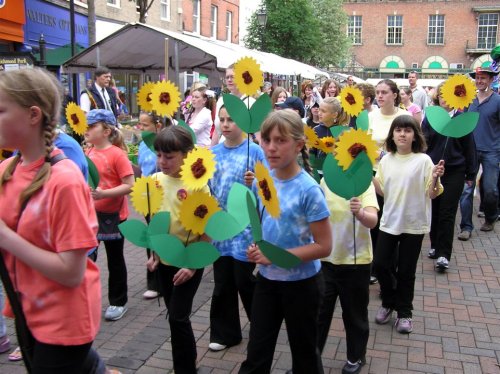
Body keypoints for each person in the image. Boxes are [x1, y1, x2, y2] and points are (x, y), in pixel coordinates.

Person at [0, 67, 106, 372]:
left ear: (33, 115)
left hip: (63, 324)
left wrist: (6, 237)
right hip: (26, 311)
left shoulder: (65, 180)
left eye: (1, 109)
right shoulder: (7, 169)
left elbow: (71, 272)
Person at [239, 110, 332, 374]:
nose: (270, 147)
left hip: (302, 286)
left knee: (304, 356)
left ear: (299, 144)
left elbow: (324, 246)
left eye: (280, 140)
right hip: (268, 282)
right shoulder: (262, 181)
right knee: (256, 354)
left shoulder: (309, 190)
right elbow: (266, 228)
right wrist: (257, 249)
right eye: (266, 139)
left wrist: (276, 255)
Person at [372, 115, 444, 334]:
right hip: (389, 221)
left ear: (415, 136)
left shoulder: (423, 161)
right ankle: (389, 301)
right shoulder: (386, 160)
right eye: (398, 130)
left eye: (407, 130)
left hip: (414, 223)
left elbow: (431, 194)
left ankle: (405, 313)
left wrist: (435, 177)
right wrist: (368, 174)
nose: (402, 134)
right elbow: (383, 191)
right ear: (392, 135)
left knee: (406, 270)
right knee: (381, 265)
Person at [147, 125, 210, 374]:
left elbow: (207, 233)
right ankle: (187, 360)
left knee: (177, 316)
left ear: (186, 154)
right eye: (159, 155)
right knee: (175, 317)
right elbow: (154, 222)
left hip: (190, 259)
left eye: (169, 156)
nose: (162, 161)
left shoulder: (197, 186)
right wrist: (153, 254)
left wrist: (192, 266)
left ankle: (185, 369)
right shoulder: (154, 181)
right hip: (164, 260)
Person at [208, 106, 267, 352]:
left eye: (231, 119)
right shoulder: (212, 153)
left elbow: (267, 189)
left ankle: (262, 329)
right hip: (222, 230)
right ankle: (225, 333)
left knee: (247, 281)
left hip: (245, 230)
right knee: (222, 282)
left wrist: (253, 185)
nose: (225, 124)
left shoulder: (254, 151)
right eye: (221, 120)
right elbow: (209, 187)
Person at [317, 179, 378, 374]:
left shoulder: (364, 183)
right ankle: (309, 359)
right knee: (318, 313)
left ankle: (356, 356)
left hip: (356, 263)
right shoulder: (326, 180)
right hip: (326, 260)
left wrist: (360, 213)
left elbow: (373, 220)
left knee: (354, 314)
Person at [84, 109, 134, 321]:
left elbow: (130, 185)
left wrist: (104, 193)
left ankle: (118, 301)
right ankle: (85, 300)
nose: (86, 130)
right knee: (87, 258)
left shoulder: (117, 154)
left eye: (91, 126)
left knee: (115, 259)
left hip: (115, 216)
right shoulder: (87, 153)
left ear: (106, 130)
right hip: (91, 215)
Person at [422, 83, 477, 270]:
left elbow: (470, 148)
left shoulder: (462, 120)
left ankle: (444, 254)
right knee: (434, 209)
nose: (445, 99)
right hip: (433, 169)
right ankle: (435, 245)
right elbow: (424, 143)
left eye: (449, 95)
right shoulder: (431, 118)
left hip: (455, 170)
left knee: (447, 211)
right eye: (442, 95)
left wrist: (471, 173)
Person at [368, 79, 408, 284]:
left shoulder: (404, 117)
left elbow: (411, 145)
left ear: (395, 94)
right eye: (377, 92)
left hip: (395, 175)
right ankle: (376, 266)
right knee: (374, 220)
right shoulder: (371, 116)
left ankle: (390, 268)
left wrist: (384, 153)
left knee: (390, 222)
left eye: (384, 92)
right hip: (372, 175)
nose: (380, 96)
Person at [458, 66, 500, 235]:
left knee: (491, 189)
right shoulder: (469, 100)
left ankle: (491, 217)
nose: (480, 81)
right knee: (466, 191)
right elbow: (462, 122)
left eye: (484, 78)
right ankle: (466, 227)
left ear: (491, 80)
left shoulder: (497, 101)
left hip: (492, 151)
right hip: (471, 152)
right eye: (478, 78)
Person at [137, 111, 167, 299]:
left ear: (158, 125)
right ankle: (154, 282)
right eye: (140, 124)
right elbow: (142, 170)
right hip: (148, 196)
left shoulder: (164, 144)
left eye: (145, 125)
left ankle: (167, 275)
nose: (142, 128)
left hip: (164, 195)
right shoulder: (142, 145)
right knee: (151, 235)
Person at [212, 64, 256, 146]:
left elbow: (258, 135)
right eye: (227, 77)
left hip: (244, 152)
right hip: (222, 151)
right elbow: (216, 131)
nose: (229, 80)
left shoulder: (252, 103)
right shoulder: (221, 101)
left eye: (232, 77)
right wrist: (211, 152)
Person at [312, 97, 350, 178]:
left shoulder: (344, 132)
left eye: (323, 111)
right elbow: (312, 155)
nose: (319, 113)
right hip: (319, 174)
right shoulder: (315, 130)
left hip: (338, 176)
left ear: (334, 115)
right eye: (319, 109)